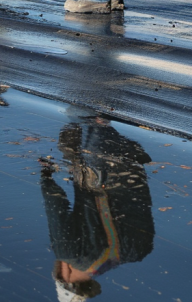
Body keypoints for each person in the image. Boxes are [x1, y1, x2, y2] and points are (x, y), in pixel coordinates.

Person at [40, 117, 155, 301]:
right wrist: (46, 175)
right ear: (64, 277)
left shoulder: (138, 252)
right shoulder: (68, 254)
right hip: (100, 161)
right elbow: (55, 206)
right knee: (82, 109)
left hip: (134, 164)